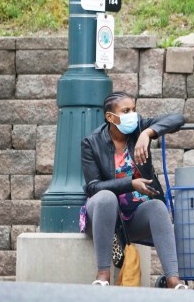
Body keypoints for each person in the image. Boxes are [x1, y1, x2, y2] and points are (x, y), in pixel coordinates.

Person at [80, 91, 187, 289]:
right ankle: (102, 274)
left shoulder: (139, 129)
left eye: (134, 109)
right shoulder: (91, 142)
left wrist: (148, 133)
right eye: (126, 111)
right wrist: (131, 183)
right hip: (105, 217)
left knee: (157, 207)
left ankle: (174, 280)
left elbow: (178, 118)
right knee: (105, 198)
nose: (133, 115)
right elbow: (93, 187)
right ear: (110, 117)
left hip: (135, 218)